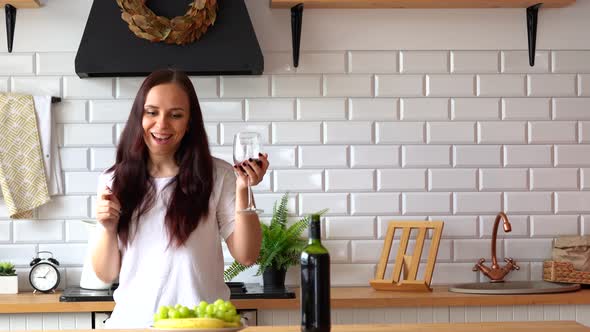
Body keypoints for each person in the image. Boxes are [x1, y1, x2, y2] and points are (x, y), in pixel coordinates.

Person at [91, 69, 269, 328]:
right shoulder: (113, 180)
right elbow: (105, 273)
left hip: (201, 325)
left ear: (189, 124)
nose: (162, 124)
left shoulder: (218, 176)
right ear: (138, 116)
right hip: (132, 324)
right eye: (152, 112)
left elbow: (247, 255)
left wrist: (245, 188)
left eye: (176, 115)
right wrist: (107, 227)